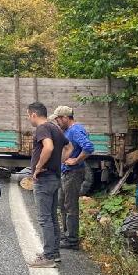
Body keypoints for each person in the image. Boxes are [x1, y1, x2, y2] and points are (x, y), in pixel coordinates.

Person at [26, 101, 68, 268]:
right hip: (54, 177)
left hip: (44, 179)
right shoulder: (55, 128)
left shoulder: (42, 128)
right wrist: (58, 164)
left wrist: (38, 167)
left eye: (28, 115)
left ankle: (48, 256)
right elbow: (69, 147)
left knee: (44, 219)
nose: (28, 118)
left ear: (33, 114)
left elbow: (48, 147)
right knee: (51, 217)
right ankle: (54, 253)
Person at [51, 106, 95, 251]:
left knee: (70, 206)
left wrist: (76, 160)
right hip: (66, 173)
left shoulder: (76, 130)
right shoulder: (68, 130)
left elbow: (88, 147)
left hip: (74, 173)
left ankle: (72, 240)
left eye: (58, 119)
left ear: (65, 117)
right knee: (62, 204)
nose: (57, 122)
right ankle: (67, 234)